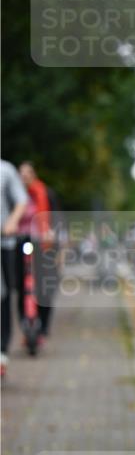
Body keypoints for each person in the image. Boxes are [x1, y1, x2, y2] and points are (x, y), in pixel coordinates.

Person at [15, 162, 59, 347]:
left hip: (42, 243)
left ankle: (42, 325)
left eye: (28, 173)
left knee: (44, 285)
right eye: (21, 173)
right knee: (21, 285)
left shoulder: (45, 193)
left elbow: (56, 218)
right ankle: (25, 324)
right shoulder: (15, 194)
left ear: (34, 174)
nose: (24, 176)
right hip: (20, 241)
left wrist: (53, 236)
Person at [1, 160, 28, 377]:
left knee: (4, 294)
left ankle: (2, 351)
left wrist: (12, 221)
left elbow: (21, 201)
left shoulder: (6, 170)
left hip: (4, 243)